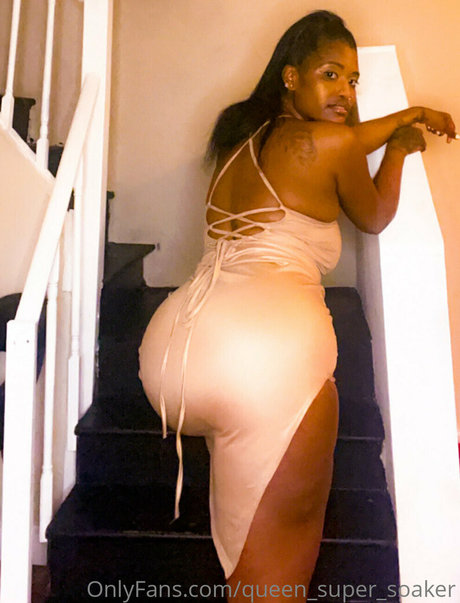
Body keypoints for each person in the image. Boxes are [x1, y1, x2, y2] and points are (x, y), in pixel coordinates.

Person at [138, 10, 456, 601]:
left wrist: (400, 121)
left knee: (249, 553)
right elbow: (374, 215)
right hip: (265, 361)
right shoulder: (330, 144)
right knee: (272, 585)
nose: (345, 92)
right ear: (291, 77)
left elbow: (348, 151)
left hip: (173, 352)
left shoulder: (238, 139)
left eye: (353, 81)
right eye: (330, 74)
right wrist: (400, 144)